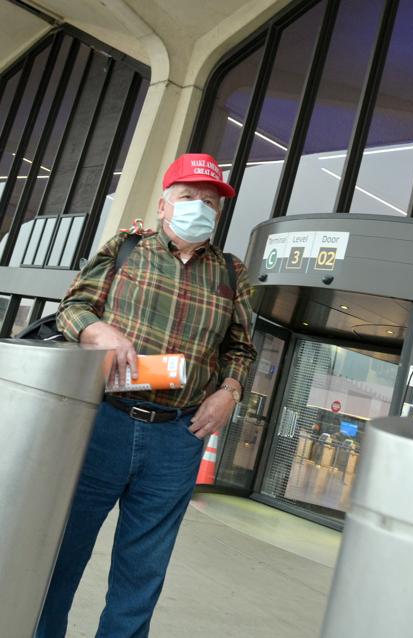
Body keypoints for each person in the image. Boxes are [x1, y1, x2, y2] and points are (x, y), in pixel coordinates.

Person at [36, 153, 257, 637]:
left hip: (177, 437)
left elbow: (241, 348)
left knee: (142, 575)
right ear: (163, 205)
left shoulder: (230, 273)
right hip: (104, 423)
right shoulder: (126, 249)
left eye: (209, 202)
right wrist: (98, 332)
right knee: (61, 553)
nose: (199, 208)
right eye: (188, 198)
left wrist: (230, 391)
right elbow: (73, 307)